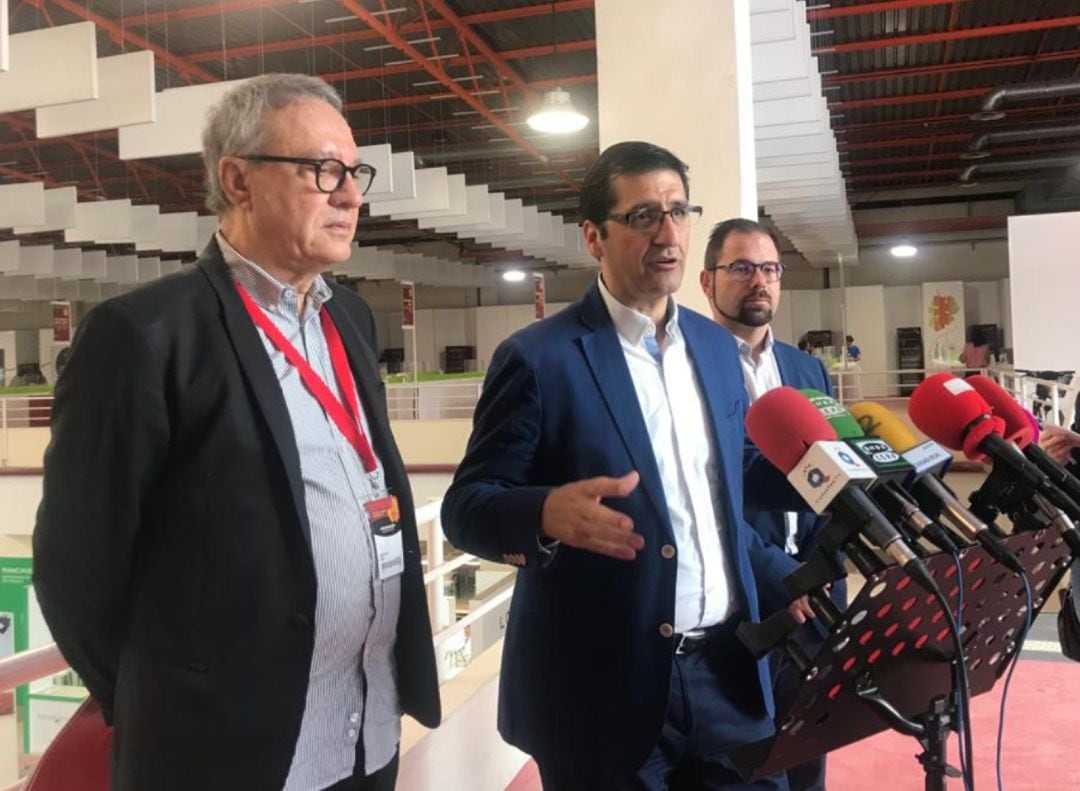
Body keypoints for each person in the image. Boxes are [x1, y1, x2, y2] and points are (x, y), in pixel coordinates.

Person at [33, 74, 440, 791]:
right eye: (325, 171)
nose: (352, 195)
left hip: (366, 732)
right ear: (238, 179)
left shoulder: (350, 318)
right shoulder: (145, 337)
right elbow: (75, 572)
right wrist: (173, 702)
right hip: (226, 757)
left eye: (355, 172)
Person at [441, 141, 807, 790]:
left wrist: (834, 475)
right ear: (593, 236)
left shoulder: (716, 350)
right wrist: (544, 512)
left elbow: (733, 473)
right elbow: (467, 507)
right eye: (643, 216)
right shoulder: (540, 358)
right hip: (600, 693)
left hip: (726, 669)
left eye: (679, 211)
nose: (668, 233)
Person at [700, 217, 845, 791]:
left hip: (818, 600)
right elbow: (706, 492)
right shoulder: (692, 367)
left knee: (809, 757)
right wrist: (778, 574)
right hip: (742, 602)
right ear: (708, 282)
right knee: (749, 767)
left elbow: (834, 479)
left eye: (769, 269)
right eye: (740, 268)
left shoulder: (807, 369)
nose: (758, 280)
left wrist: (818, 571)